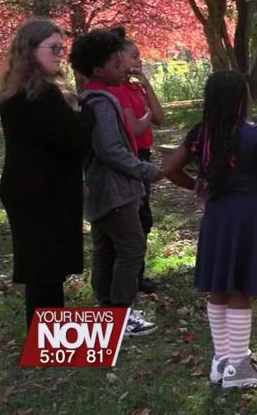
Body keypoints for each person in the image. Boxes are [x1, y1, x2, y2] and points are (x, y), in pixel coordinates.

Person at [163, 71, 257, 389]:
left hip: (215, 216)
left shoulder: (200, 133)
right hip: (246, 218)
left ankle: (223, 361)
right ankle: (239, 369)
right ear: (242, 99)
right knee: (241, 287)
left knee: (219, 286)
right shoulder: (254, 134)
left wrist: (196, 185)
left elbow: (170, 168)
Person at [71, 29, 161, 336]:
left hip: (101, 190)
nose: (124, 68)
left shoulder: (91, 99)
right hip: (113, 191)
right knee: (132, 247)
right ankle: (122, 312)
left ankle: (107, 308)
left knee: (106, 249)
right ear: (99, 70)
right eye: (116, 64)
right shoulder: (99, 102)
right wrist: (144, 170)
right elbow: (110, 149)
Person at [0, 18, 84, 329]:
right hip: (40, 191)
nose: (60, 54)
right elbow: (72, 139)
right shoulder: (41, 94)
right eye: (53, 48)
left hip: (31, 187)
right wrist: (91, 115)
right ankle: (48, 336)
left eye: (62, 47)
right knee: (45, 266)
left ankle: (48, 332)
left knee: (43, 265)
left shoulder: (18, 89)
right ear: (31, 50)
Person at [113, 27, 166, 295]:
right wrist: (145, 115)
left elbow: (159, 118)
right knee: (137, 217)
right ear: (118, 59)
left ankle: (137, 274)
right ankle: (131, 277)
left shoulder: (136, 87)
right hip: (131, 158)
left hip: (145, 154)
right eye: (134, 57)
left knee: (144, 217)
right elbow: (134, 128)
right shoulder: (117, 91)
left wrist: (147, 86)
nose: (139, 61)